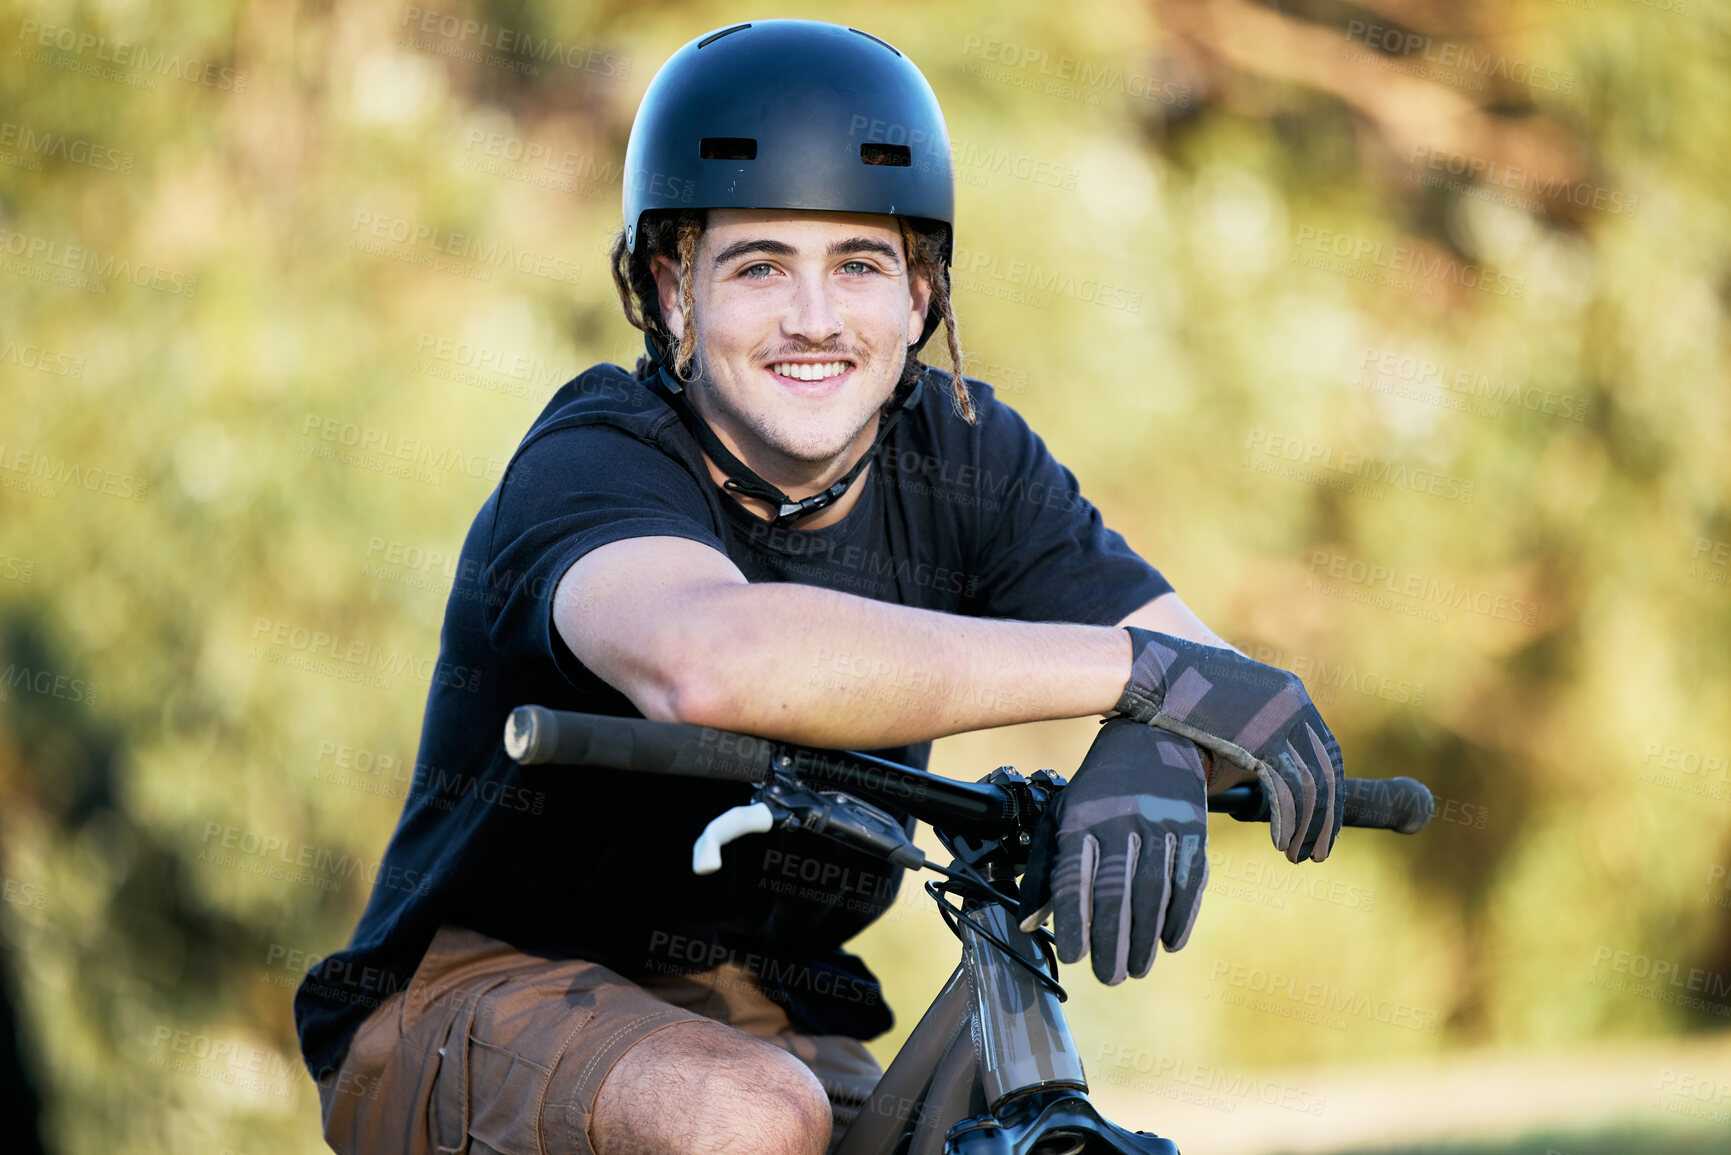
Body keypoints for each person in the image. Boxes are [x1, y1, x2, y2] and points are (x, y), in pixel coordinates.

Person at [294, 18, 1345, 1155]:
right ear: (673, 291)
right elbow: (716, 660)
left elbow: (1220, 683)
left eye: (859, 264)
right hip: (472, 997)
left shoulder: (969, 456)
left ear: (920, 297)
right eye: (759, 267)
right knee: (751, 1115)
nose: (814, 317)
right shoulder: (598, 455)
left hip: (777, 1014)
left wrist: (1156, 734)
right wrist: (1143, 677)